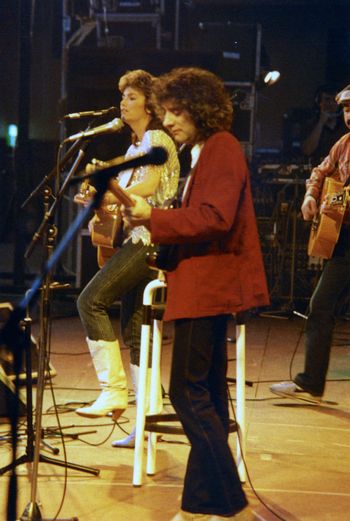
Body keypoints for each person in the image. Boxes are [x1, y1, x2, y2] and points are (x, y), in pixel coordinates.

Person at [122, 67, 269, 521]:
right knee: (204, 393)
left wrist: (154, 218)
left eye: (177, 110)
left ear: (201, 110)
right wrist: (154, 221)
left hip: (209, 287)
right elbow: (202, 215)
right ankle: (201, 503)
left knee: (188, 395)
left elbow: (215, 217)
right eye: (166, 111)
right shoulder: (205, 151)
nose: (168, 120)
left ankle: (231, 504)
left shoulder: (221, 148)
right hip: (202, 285)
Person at [74, 69, 180, 444]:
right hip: (141, 238)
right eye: (123, 96)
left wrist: (111, 184)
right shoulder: (135, 148)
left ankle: (113, 390)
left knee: (90, 300)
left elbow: (148, 189)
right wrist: (101, 197)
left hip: (150, 241)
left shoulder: (155, 138)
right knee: (136, 334)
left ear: (149, 105)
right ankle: (146, 424)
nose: (124, 102)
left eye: (132, 97)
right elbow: (129, 202)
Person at [270, 83, 350, 403]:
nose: (348, 115)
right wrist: (309, 196)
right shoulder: (343, 144)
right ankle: (311, 381)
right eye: (345, 109)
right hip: (345, 242)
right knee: (320, 306)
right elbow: (319, 172)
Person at [301, 84, 347, 165]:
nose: (331, 104)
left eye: (334, 100)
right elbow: (307, 151)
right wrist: (321, 123)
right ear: (319, 103)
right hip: (317, 170)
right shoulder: (310, 124)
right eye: (327, 99)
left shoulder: (345, 126)